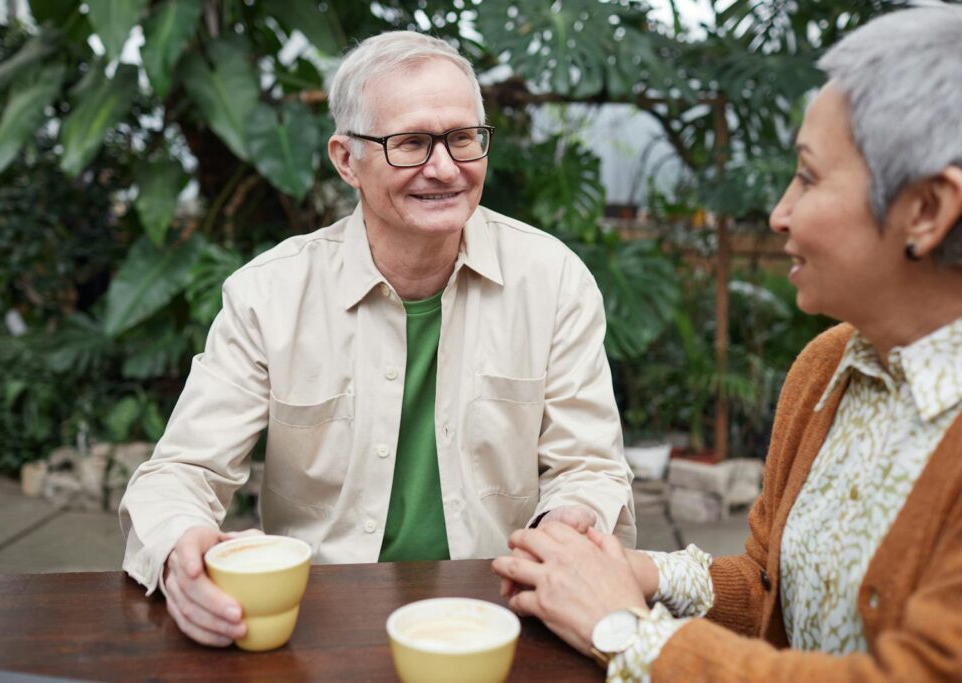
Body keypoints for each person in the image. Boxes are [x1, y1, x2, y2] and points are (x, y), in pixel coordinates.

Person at [119, 31, 636, 647]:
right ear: (346, 161)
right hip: (318, 625)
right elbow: (180, 472)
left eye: (462, 138)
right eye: (411, 143)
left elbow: (590, 468)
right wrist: (182, 547)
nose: (444, 168)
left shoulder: (552, 282)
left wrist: (565, 525)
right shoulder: (270, 295)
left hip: (501, 615)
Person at [492, 6, 962, 682]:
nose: (779, 212)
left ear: (926, 209)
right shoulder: (830, 369)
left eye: (807, 175)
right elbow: (770, 584)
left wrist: (625, 630)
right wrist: (637, 571)